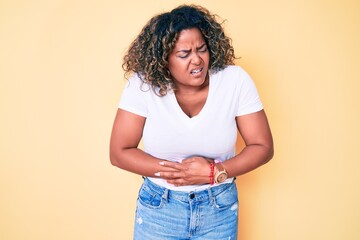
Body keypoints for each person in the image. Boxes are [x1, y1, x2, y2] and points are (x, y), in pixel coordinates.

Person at [110, 4, 273, 240]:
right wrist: (181, 173)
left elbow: (263, 146)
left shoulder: (234, 80)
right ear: (163, 60)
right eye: (184, 54)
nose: (197, 60)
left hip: (219, 207)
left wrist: (214, 173)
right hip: (159, 208)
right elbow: (119, 152)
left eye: (202, 49)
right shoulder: (142, 84)